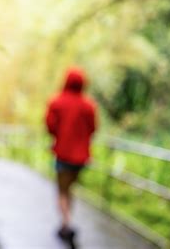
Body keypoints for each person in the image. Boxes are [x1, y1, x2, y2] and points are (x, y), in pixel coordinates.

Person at [45, 67, 97, 244]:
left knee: (62, 190)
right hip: (81, 157)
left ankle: (66, 223)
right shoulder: (88, 105)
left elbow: (50, 126)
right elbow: (93, 128)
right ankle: (67, 222)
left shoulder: (57, 102)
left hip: (63, 154)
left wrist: (59, 137)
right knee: (70, 189)